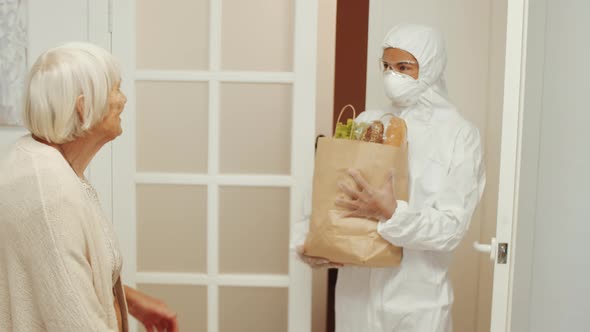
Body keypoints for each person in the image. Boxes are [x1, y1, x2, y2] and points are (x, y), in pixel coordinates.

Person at [295, 24, 486, 332]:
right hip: (356, 297)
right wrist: (308, 242)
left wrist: (390, 212)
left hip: (418, 303)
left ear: (430, 67)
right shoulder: (368, 121)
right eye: (386, 66)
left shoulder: (460, 135)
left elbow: (451, 228)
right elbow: (324, 194)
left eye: (403, 67)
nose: (390, 75)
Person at [0, 42, 178, 332]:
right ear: (84, 108)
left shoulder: (42, 162)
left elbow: (55, 273)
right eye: (115, 90)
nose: (123, 100)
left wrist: (128, 300)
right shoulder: (51, 195)